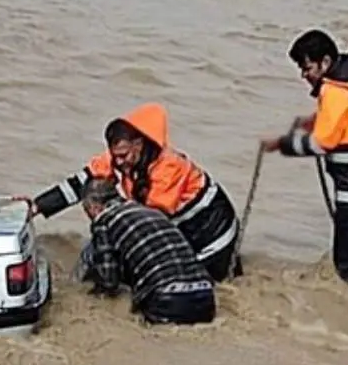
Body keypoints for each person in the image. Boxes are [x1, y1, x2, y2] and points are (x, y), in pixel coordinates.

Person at [20, 102, 243, 282]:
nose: (119, 162)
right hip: (178, 226)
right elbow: (80, 183)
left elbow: (150, 222)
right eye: (115, 155)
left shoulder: (170, 168)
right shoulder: (120, 156)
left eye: (124, 155)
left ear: (138, 145)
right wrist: (36, 206)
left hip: (211, 236)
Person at [259, 29, 348, 292]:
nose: (304, 74)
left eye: (306, 67)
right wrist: (315, 121)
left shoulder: (334, 92)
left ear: (325, 62)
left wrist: (281, 144)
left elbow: (320, 144)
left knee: (345, 267)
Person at [75, 177, 217, 325]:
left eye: (86, 210)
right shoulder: (151, 211)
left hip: (168, 301)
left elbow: (108, 280)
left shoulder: (104, 220)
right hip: (205, 298)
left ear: (93, 207)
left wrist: (87, 295)